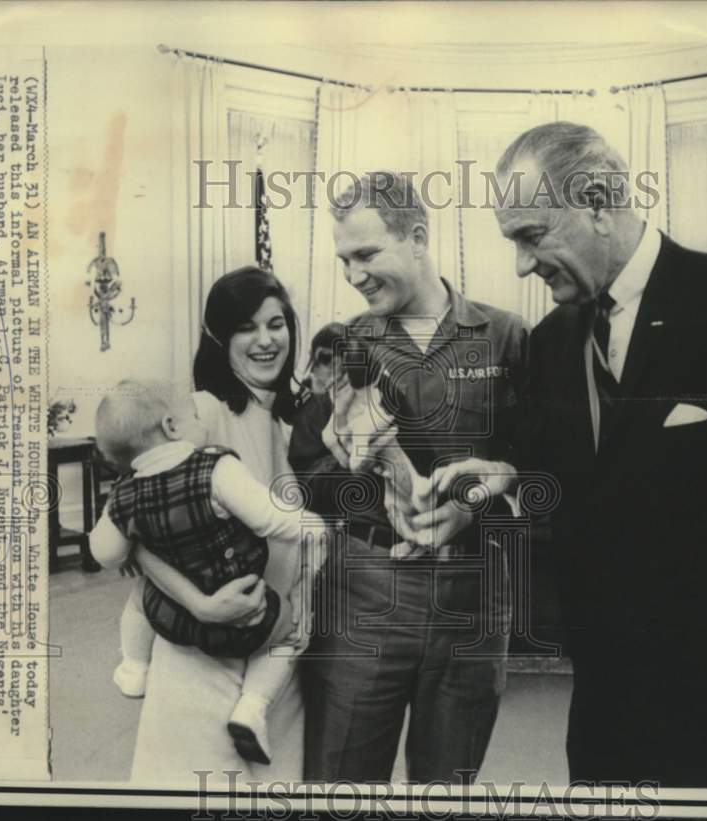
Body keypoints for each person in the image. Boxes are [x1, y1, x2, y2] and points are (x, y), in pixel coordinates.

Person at [429, 122, 707, 788]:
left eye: (532, 236)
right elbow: (569, 467)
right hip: (605, 705)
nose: (522, 265)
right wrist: (505, 473)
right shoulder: (555, 339)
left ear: (600, 204)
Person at [289, 171, 528, 783]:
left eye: (367, 254)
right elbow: (308, 470)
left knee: (447, 788)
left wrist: (471, 504)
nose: (354, 274)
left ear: (418, 237)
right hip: (364, 591)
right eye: (344, 260)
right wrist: (380, 490)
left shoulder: (505, 337)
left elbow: (539, 461)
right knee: (341, 787)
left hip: (474, 598)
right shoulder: (340, 347)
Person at [127, 266, 318, 783]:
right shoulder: (202, 412)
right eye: (246, 327)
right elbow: (129, 530)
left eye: (276, 324)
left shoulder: (295, 421)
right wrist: (200, 604)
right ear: (219, 338)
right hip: (203, 656)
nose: (265, 340)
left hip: (276, 660)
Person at [90, 379, 325, 766]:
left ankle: (134, 666)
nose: (200, 421)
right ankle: (252, 705)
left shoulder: (124, 494)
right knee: (292, 627)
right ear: (171, 426)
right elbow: (269, 518)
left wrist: (126, 538)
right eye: (194, 417)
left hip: (172, 620)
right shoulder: (215, 466)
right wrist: (313, 527)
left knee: (137, 606)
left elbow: (107, 554)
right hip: (249, 608)